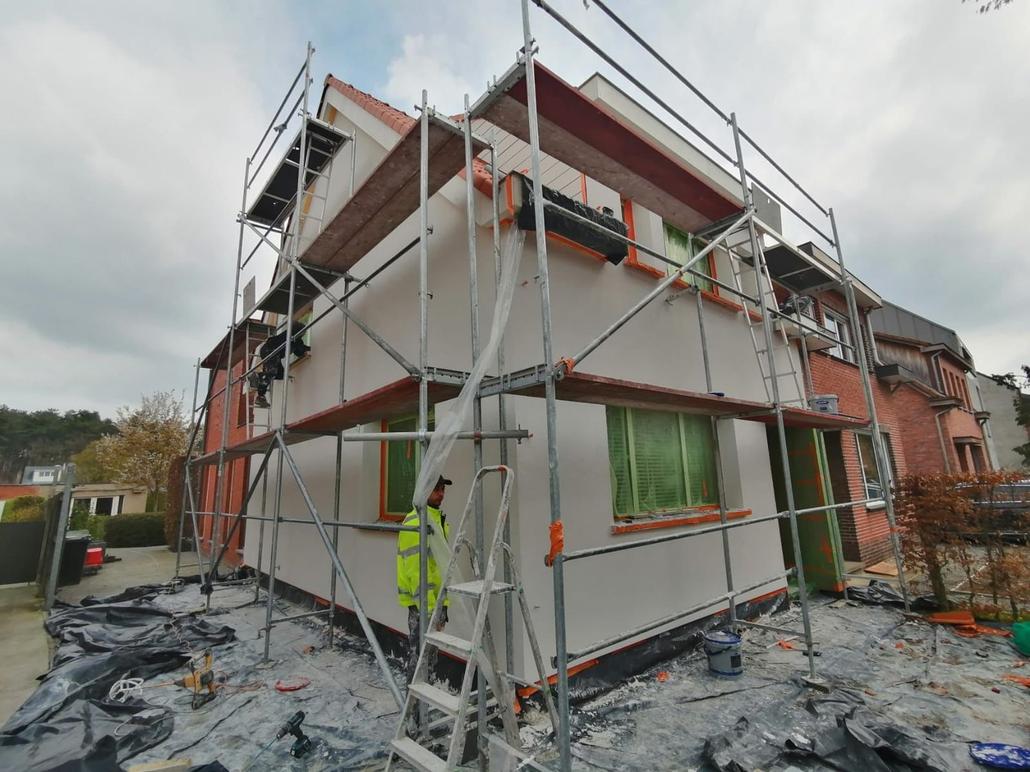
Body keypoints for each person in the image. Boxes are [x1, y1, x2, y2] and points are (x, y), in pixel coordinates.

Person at [397, 475, 451, 684]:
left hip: (435, 601)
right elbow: (416, 572)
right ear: (424, 491)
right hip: (423, 604)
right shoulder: (415, 523)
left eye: (443, 489)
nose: (441, 494)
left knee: (430, 656)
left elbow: (441, 566)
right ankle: (414, 702)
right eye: (436, 489)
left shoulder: (437, 520)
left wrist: (443, 604)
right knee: (420, 657)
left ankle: (424, 697)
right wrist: (429, 610)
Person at [250, 328, 310, 408]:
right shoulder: (291, 337)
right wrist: (310, 349)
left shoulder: (295, 340)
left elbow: (299, 351)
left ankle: (261, 378)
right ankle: (260, 391)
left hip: (271, 351)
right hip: (270, 350)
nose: (304, 334)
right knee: (272, 372)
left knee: (280, 374)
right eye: (303, 332)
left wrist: (306, 351)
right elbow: (301, 349)